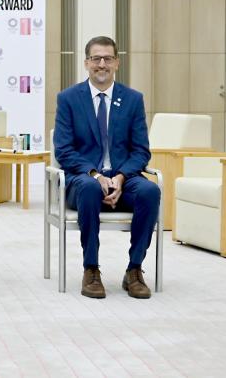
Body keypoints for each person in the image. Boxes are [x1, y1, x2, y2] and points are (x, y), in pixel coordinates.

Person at [54, 36, 160, 299]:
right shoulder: (68, 99)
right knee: (90, 187)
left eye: (108, 58)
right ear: (86, 62)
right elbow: (64, 151)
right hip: (85, 179)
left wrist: (122, 177)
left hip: (125, 179)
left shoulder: (133, 99)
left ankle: (134, 269)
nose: (102, 64)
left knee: (150, 191)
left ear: (117, 63)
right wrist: (96, 174)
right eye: (96, 58)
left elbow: (141, 151)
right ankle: (91, 269)